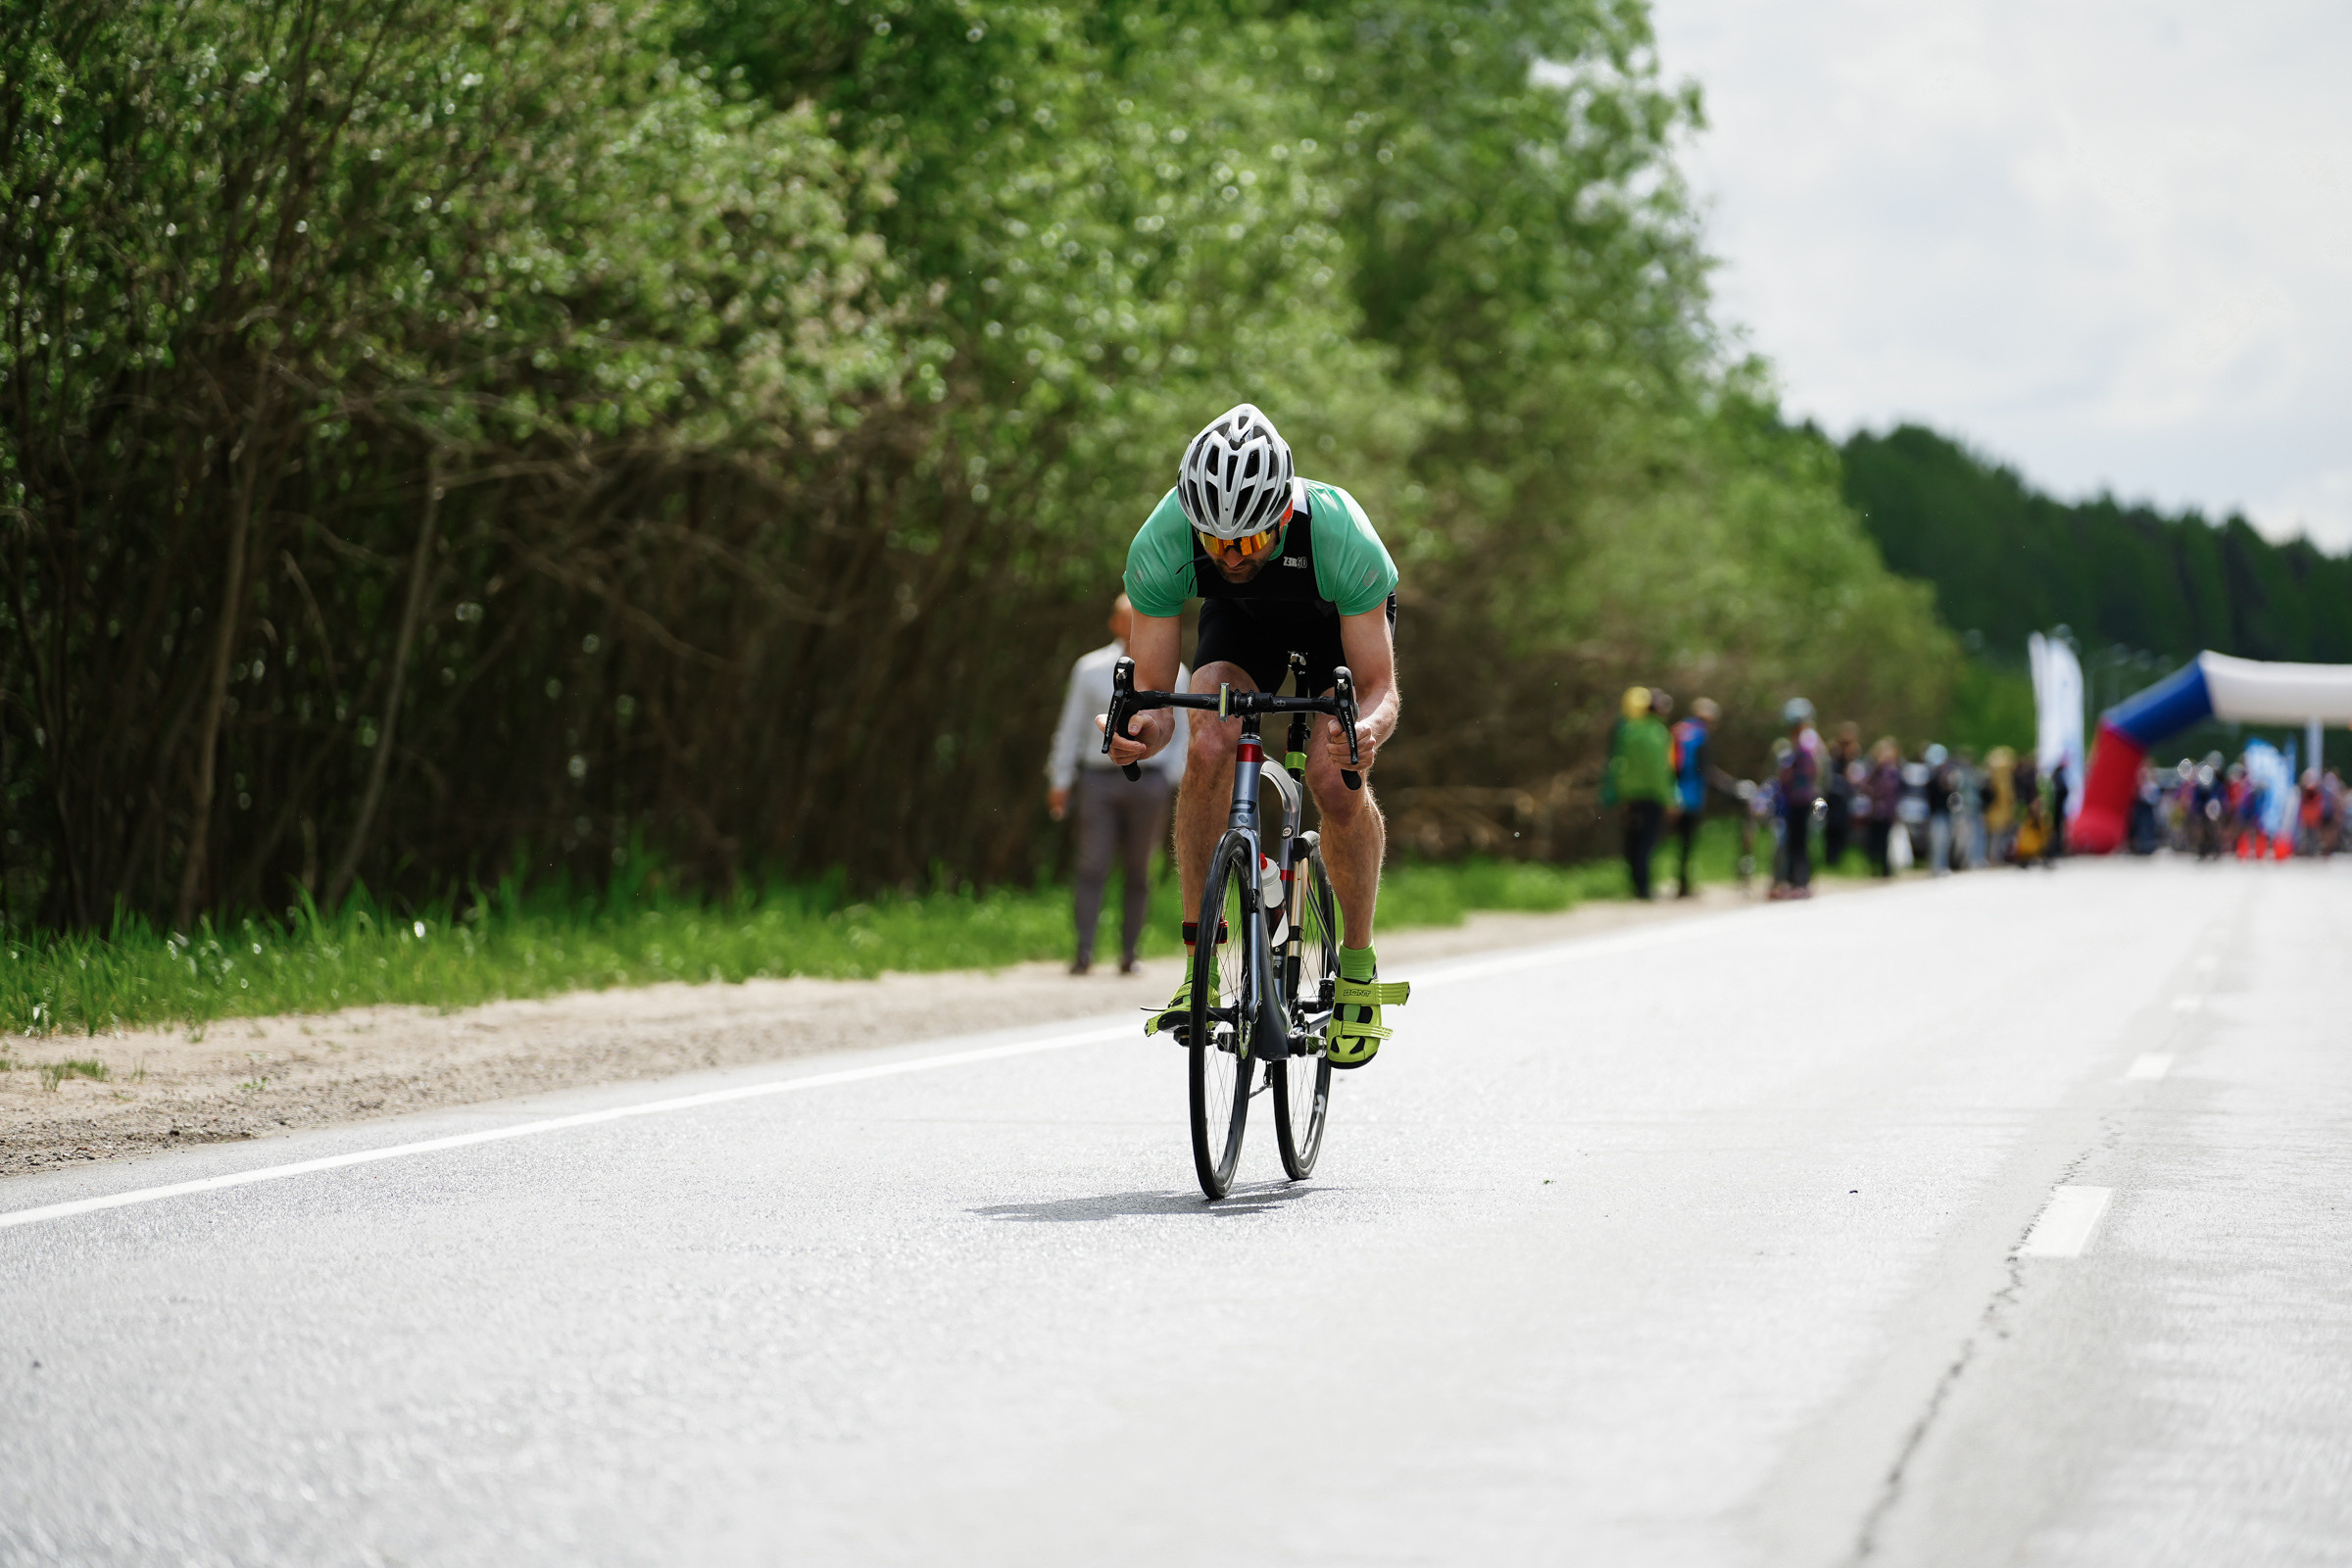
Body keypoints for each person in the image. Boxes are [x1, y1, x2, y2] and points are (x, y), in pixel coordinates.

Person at [1103, 404, 1407, 1068]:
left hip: (1336, 628)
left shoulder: (1339, 530)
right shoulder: (1161, 542)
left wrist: (1367, 729)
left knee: (1335, 777)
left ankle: (1356, 964)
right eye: (1216, 543)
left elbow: (1380, 686)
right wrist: (1138, 732)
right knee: (1207, 741)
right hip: (1243, 628)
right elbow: (1156, 696)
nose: (1233, 556)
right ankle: (1201, 968)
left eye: (1249, 540)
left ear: (1282, 512)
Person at [1046, 594, 1188, 975]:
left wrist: (1168, 778)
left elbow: (1185, 733)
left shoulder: (1178, 672)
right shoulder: (1089, 668)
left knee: (1140, 869)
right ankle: (1084, 951)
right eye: (1124, 617)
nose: (1130, 625)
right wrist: (1061, 778)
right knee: (1091, 864)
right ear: (1113, 623)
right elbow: (1071, 726)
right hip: (1097, 781)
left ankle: (1130, 952)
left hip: (1151, 783)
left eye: (1137, 618)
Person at [1604, 685, 1674, 899]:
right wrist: (1668, 798)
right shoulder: (1658, 733)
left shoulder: (1626, 730)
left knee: (1633, 840)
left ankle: (1635, 885)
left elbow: (1618, 765)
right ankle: (1643, 888)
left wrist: (1621, 794)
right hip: (1652, 795)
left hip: (1630, 796)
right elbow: (1660, 771)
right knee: (1647, 841)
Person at [1668, 696, 1734, 897]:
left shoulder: (1680, 730)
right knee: (1688, 841)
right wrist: (1728, 785)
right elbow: (1705, 769)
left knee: (1675, 840)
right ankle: (1684, 884)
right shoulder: (1701, 736)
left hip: (1671, 792)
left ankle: (1677, 881)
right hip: (1692, 794)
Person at [1773, 699, 1822, 899]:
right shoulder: (1803, 741)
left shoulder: (1805, 743)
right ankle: (1793, 881)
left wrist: (1788, 773)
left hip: (1800, 799)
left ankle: (1801, 882)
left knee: (1798, 842)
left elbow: (1809, 771)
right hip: (1795, 799)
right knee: (1794, 842)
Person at [1823, 722, 1861, 869]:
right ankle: (1829, 859)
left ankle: (1838, 860)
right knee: (1831, 826)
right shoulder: (1835, 749)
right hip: (1833, 793)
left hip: (1845, 795)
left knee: (1843, 828)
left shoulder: (1853, 752)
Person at [1864, 737, 1902, 876]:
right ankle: (1874, 867)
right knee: (1874, 839)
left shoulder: (1893, 771)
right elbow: (1866, 785)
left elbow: (1892, 791)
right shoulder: (1875, 770)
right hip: (1875, 811)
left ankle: (1886, 869)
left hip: (1887, 811)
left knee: (1885, 840)